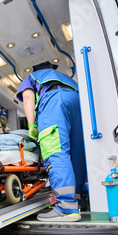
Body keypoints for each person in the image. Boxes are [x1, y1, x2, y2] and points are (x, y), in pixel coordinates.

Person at [17, 61, 86, 222]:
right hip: (76, 102)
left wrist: (32, 125)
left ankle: (66, 207)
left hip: (54, 100)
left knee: (55, 150)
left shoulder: (31, 77)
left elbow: (28, 97)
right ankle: (76, 201)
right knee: (77, 155)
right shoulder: (66, 78)